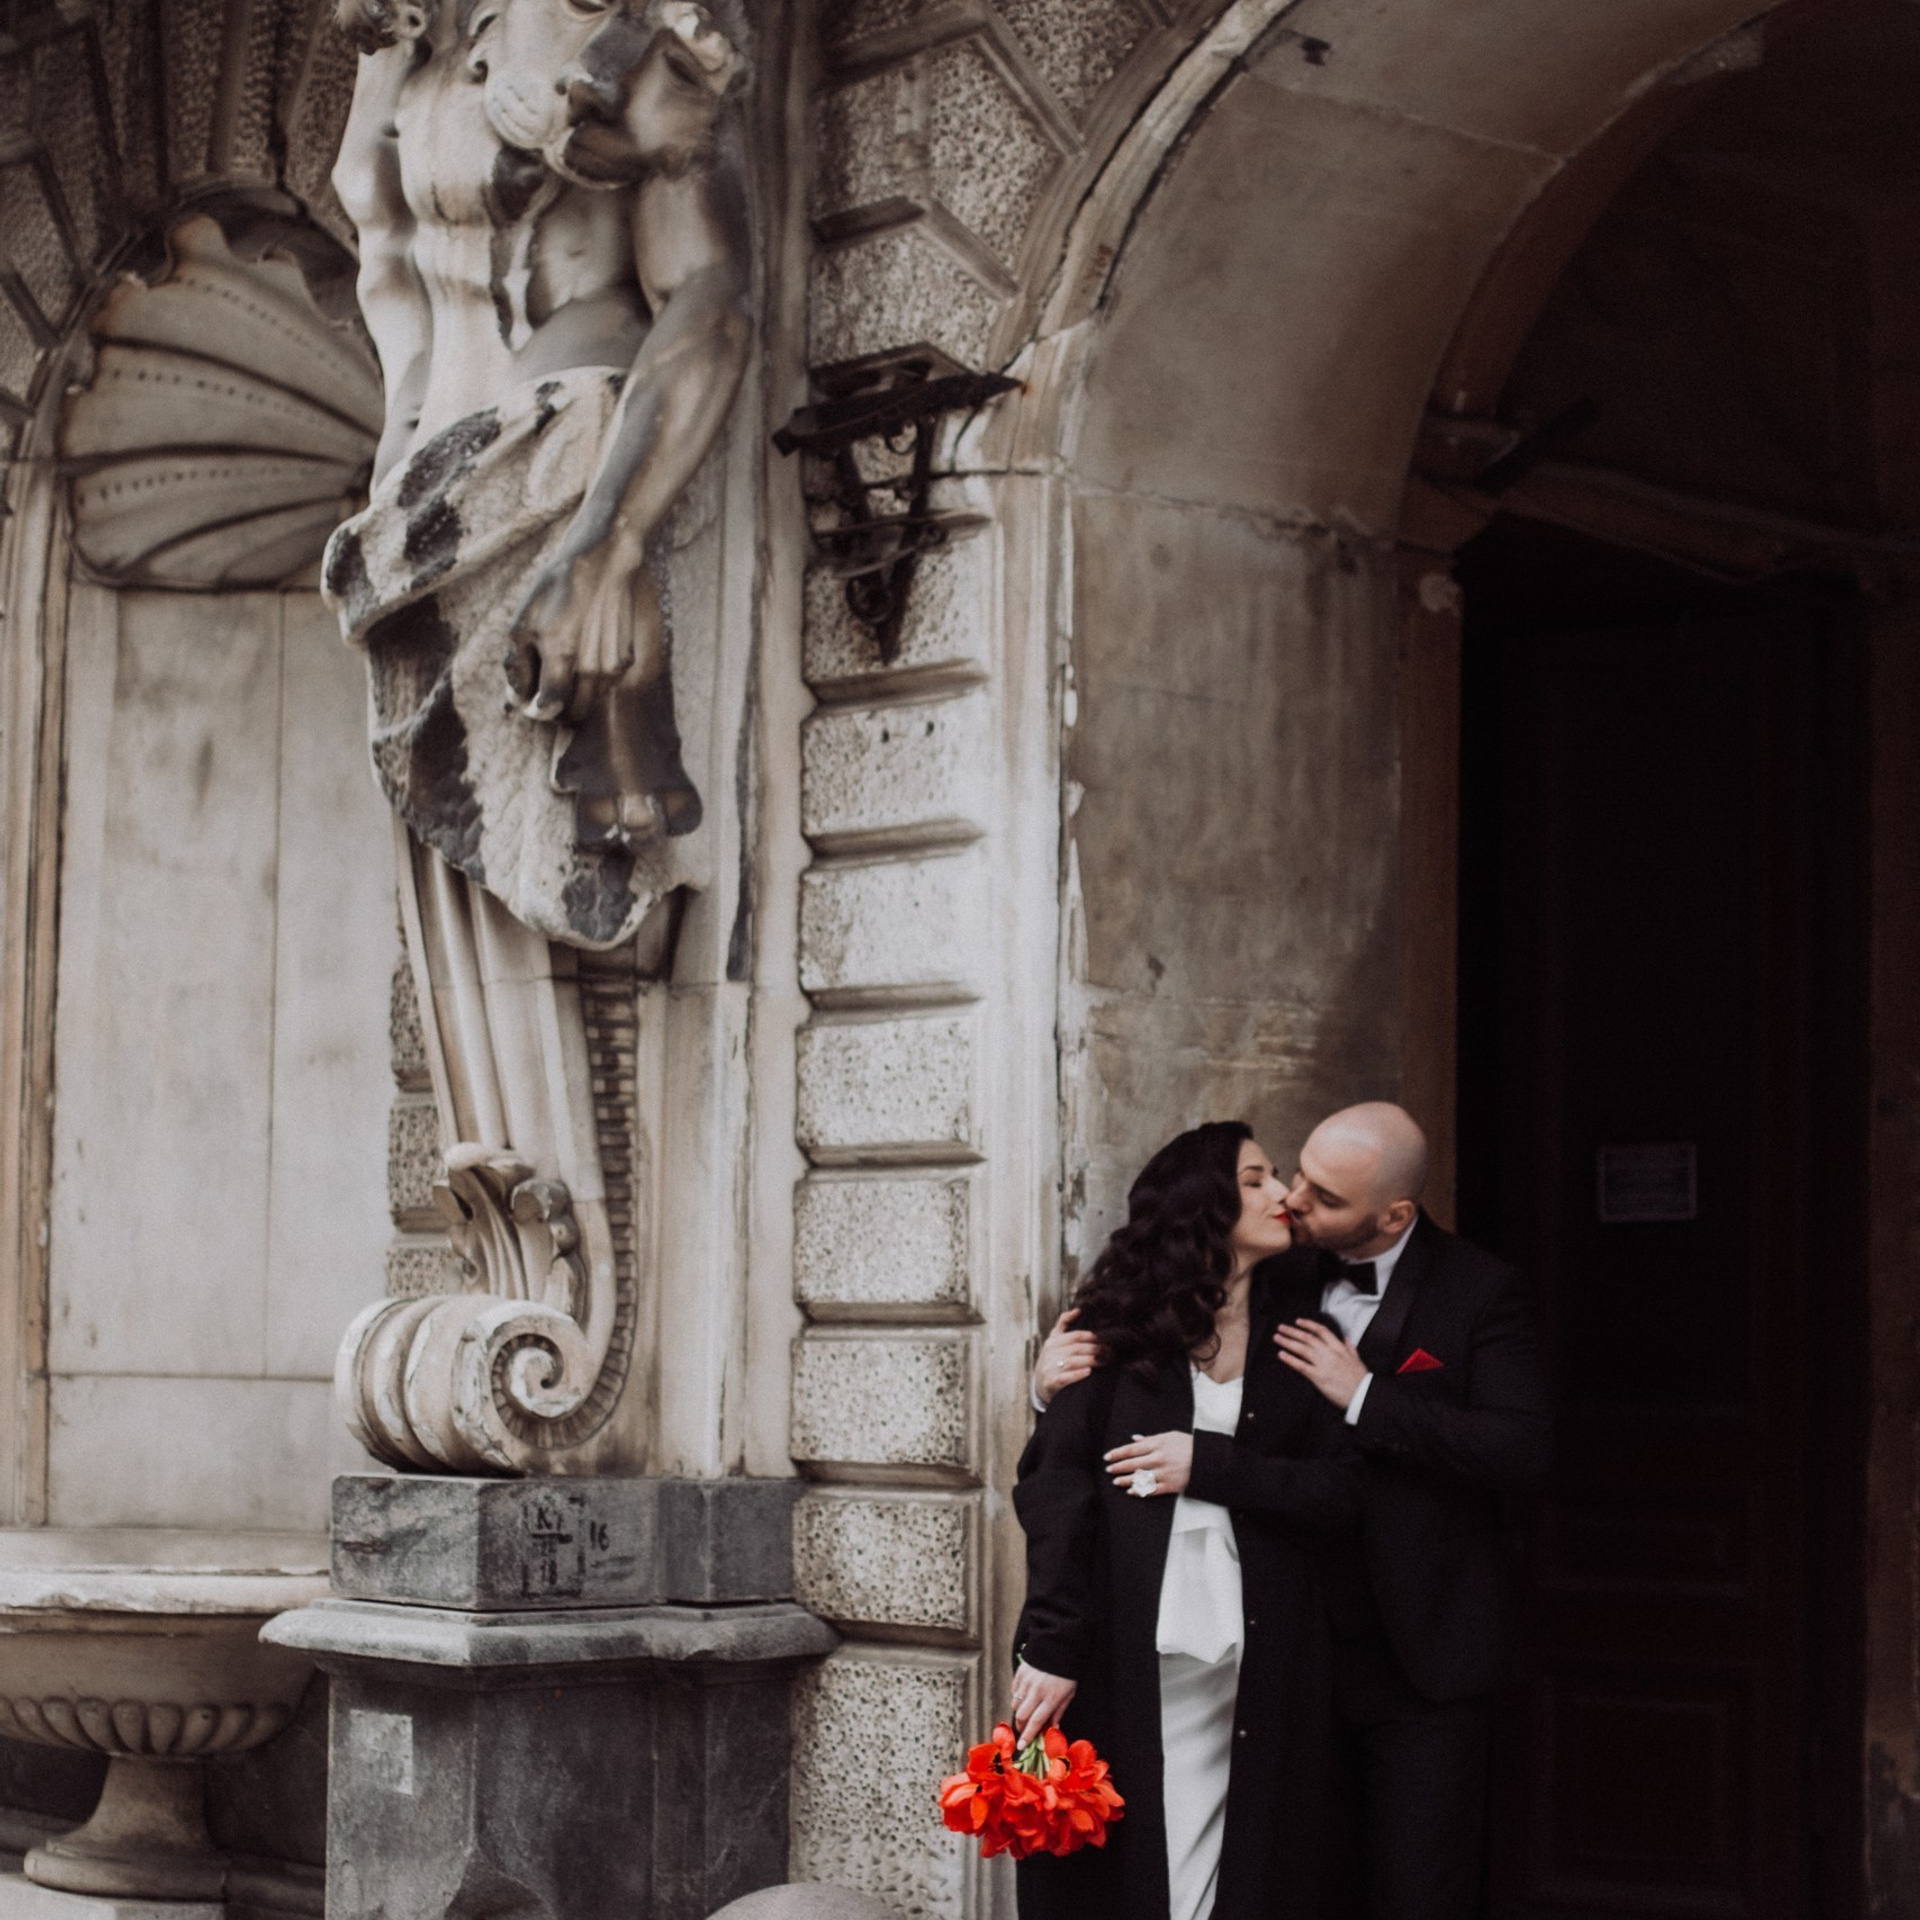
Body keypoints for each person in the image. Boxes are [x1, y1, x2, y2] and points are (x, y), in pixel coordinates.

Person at [1035, 1102, 1552, 1920]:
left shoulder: (1480, 1293)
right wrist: (1053, 1392)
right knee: (1291, 1883)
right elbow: (1162, 1343)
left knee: (1419, 1889)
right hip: (1290, 1646)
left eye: (1322, 1194)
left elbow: (1521, 1452)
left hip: (1417, 1651)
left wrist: (1367, 1398)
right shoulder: (1278, 1270)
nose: (1295, 1199)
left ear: (1394, 1216)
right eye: (1289, 1174)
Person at [1012, 1122, 1361, 1920]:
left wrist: (1212, 1464)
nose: (1282, 1195)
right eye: (1255, 1178)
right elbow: (1057, 1494)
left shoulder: (1304, 1331)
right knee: (1128, 1847)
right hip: (1131, 1642)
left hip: (1261, 1648)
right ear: (1201, 1201)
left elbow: (1340, 1494)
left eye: (1277, 1177)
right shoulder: (1114, 1326)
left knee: (1238, 1853)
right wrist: (1055, 1645)